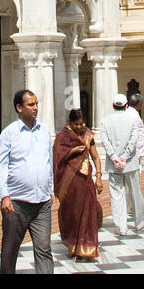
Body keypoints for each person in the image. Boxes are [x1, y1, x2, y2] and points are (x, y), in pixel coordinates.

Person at [0, 89, 54, 274]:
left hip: (42, 203)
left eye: (36, 104)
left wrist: (49, 188)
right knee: (10, 251)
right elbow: (0, 166)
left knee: (44, 250)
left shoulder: (44, 131)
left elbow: (48, 161)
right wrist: (5, 196)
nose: (35, 108)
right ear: (19, 107)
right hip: (17, 203)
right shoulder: (9, 133)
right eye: (31, 104)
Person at [53, 108, 103, 260]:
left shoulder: (87, 135)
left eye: (82, 124)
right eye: (77, 124)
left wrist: (99, 177)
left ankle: (86, 248)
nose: (80, 127)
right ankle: (73, 245)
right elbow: (57, 159)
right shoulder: (63, 137)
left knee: (89, 213)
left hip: (85, 181)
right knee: (72, 214)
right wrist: (72, 151)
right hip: (69, 184)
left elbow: (95, 157)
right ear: (69, 122)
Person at [101, 93, 144, 237]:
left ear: (113, 106)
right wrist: (124, 157)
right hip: (129, 162)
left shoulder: (106, 121)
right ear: (126, 105)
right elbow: (134, 140)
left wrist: (115, 157)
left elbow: (105, 142)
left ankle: (121, 226)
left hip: (114, 164)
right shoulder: (132, 119)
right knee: (135, 191)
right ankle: (139, 223)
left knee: (116, 195)